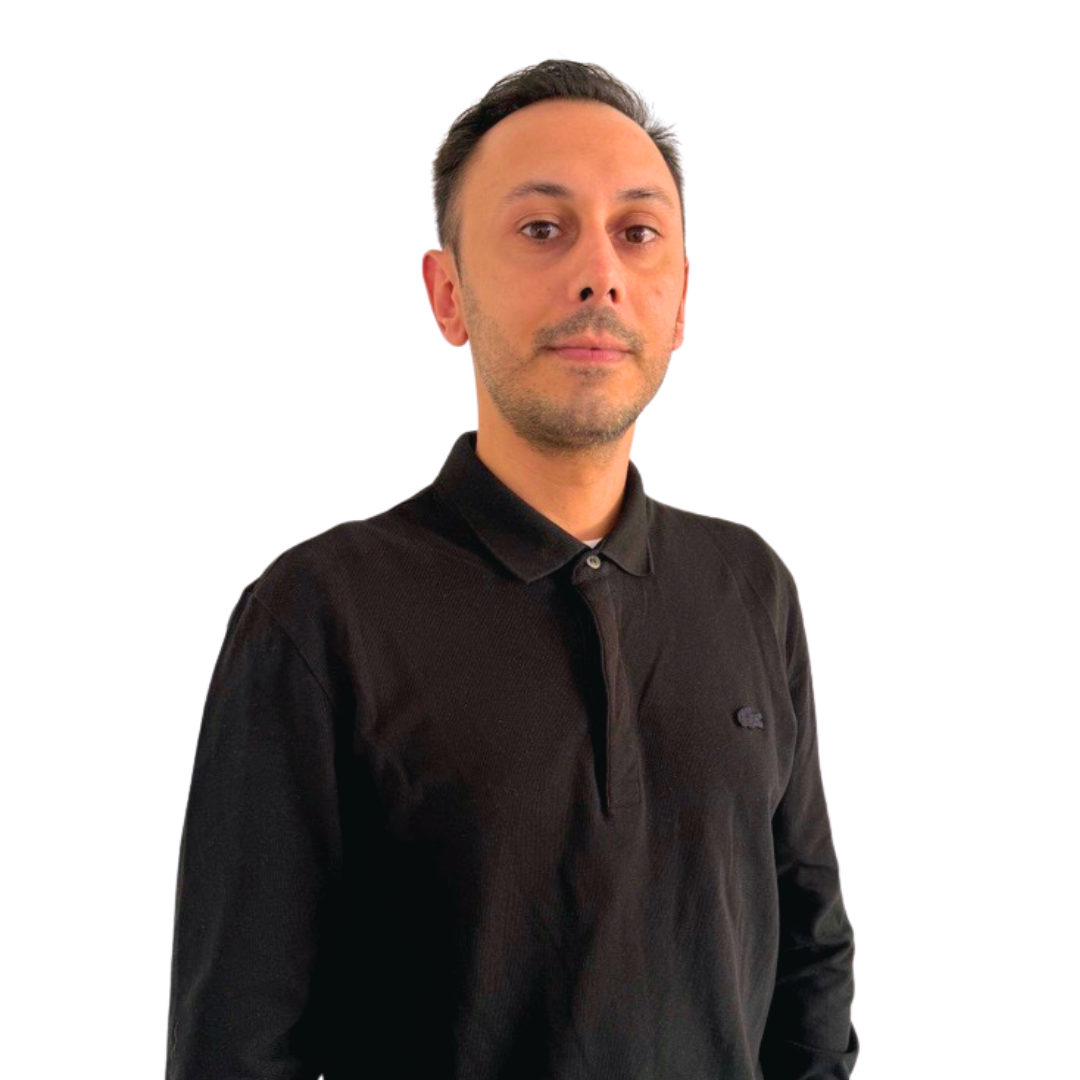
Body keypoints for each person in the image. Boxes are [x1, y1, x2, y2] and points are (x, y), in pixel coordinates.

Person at [165, 59, 858, 1080]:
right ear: (449, 294)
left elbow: (811, 959)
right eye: (542, 229)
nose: (600, 274)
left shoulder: (750, 586)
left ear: (678, 302)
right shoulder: (317, 615)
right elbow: (236, 1042)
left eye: (638, 233)